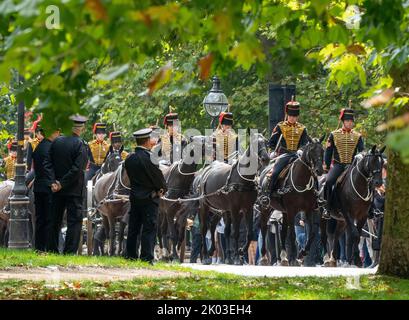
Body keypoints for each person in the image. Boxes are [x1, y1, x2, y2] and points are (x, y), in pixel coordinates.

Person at [45, 114, 89, 254]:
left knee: (54, 220)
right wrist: (62, 184)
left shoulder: (56, 142)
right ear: (81, 128)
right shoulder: (81, 144)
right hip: (74, 190)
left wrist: (54, 182)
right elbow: (77, 169)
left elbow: (47, 163)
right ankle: (69, 252)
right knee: (74, 222)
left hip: (56, 189)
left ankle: (52, 250)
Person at [124, 128, 167, 263]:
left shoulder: (129, 158)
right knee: (149, 228)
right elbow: (157, 177)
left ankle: (130, 255)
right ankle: (146, 257)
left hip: (135, 197)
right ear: (147, 141)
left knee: (133, 228)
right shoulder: (149, 158)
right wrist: (162, 189)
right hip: (149, 198)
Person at [323, 107, 364, 219]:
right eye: (348, 121)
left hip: (352, 166)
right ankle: (327, 207)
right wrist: (326, 166)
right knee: (329, 181)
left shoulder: (358, 136)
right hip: (338, 165)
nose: (350, 123)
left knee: (367, 183)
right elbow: (328, 152)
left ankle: (371, 209)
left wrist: (361, 155)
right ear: (343, 121)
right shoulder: (334, 134)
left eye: (351, 121)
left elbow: (362, 151)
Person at [268, 99, 310, 195]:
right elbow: (272, 142)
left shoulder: (302, 128)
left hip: (297, 155)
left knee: (312, 173)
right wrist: (274, 151)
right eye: (291, 116)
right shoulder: (280, 126)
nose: (292, 118)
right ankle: (269, 193)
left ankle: (315, 196)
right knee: (275, 173)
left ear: (297, 116)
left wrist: (301, 150)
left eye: (294, 116)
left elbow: (305, 143)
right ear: (287, 115)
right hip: (284, 155)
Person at [31, 127, 61, 251]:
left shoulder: (39, 146)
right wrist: (53, 182)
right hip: (49, 188)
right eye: (57, 132)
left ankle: (39, 247)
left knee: (40, 219)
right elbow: (49, 167)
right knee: (50, 219)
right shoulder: (51, 147)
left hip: (38, 187)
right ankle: (49, 248)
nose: (58, 134)